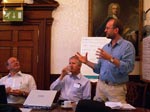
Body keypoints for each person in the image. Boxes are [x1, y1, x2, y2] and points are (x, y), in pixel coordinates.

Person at [76, 18, 135, 103]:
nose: (105, 30)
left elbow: (128, 68)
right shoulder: (105, 47)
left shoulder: (128, 46)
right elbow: (98, 69)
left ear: (116, 30)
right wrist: (86, 62)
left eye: (107, 28)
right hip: (101, 86)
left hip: (116, 89)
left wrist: (110, 59)